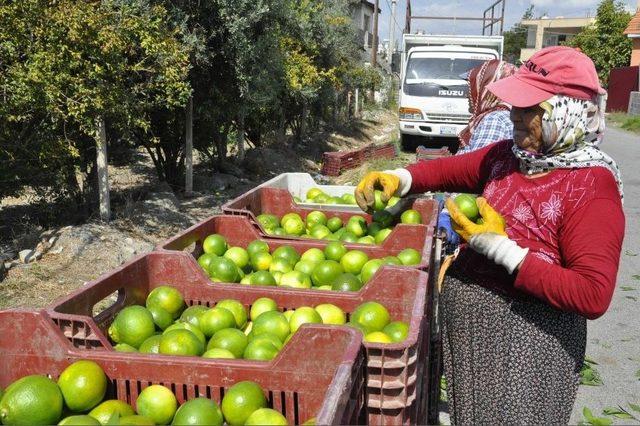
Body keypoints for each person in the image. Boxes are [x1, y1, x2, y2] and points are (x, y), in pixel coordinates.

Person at [355, 46, 625, 424]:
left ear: (568, 113)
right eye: (515, 104)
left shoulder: (592, 186)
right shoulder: (510, 155)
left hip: (528, 347)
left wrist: (502, 249)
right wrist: (399, 178)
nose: (514, 115)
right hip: (474, 332)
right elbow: (449, 171)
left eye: (529, 108)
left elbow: (593, 293)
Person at [457, 59, 517, 155]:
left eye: (474, 86)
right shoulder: (509, 114)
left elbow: (476, 164)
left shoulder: (495, 119)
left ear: (487, 90)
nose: (468, 95)